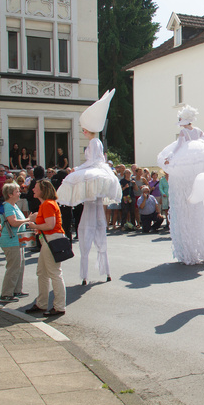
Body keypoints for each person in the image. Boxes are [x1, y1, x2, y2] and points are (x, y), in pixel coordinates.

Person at [56, 90, 121, 285]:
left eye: (83, 128)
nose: (83, 131)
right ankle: (103, 271)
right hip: (97, 180)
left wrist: (77, 168)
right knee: (96, 221)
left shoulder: (94, 142)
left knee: (90, 222)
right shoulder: (96, 141)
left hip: (95, 174)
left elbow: (93, 161)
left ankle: (88, 272)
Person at [158, 105, 204, 264]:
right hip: (196, 166)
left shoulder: (184, 132)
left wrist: (169, 158)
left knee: (186, 199)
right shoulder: (198, 131)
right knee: (200, 206)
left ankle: (190, 250)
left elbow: (178, 147)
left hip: (187, 167)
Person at [25, 180, 66, 316]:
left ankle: (59, 306)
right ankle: (42, 303)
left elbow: (50, 225)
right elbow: (49, 224)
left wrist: (34, 226)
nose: (33, 190)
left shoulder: (47, 204)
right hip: (49, 239)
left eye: (35, 188)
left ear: (43, 190)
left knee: (54, 273)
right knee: (42, 272)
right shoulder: (47, 204)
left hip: (51, 240)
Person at [0, 182, 29, 302]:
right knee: (13, 267)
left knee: (20, 266)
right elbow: (13, 222)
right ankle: (6, 293)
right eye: (17, 191)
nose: (19, 193)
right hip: (11, 241)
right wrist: (28, 219)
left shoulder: (13, 205)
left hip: (17, 240)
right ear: (10, 194)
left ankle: (16, 290)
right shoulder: (8, 206)